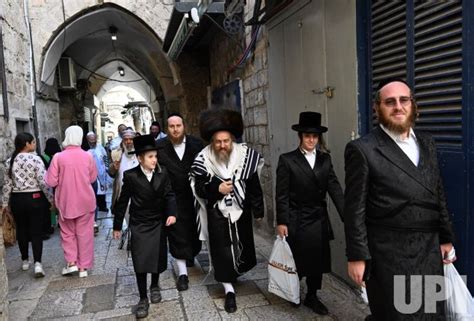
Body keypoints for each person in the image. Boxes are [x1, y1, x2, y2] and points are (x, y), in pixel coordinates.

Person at [344, 78, 455, 320]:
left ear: (414, 105)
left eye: (404, 100)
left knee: (430, 313)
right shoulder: (363, 149)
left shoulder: (427, 143)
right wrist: (356, 255)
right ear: (377, 109)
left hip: (428, 249)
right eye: (389, 102)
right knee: (396, 315)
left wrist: (446, 238)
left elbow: (437, 193)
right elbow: (354, 209)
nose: (398, 106)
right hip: (388, 253)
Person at [190, 109, 264, 313]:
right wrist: (217, 188)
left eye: (226, 141)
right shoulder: (203, 159)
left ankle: (234, 273)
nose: (223, 145)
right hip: (217, 213)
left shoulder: (246, 155)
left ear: (232, 139)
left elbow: (254, 184)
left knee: (244, 250)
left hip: (241, 212)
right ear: (211, 142)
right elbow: (199, 188)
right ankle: (228, 289)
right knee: (221, 251)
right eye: (218, 142)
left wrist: (258, 210)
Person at [275, 111, 344, 315]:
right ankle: (293, 290)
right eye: (307, 135)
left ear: (318, 137)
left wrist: (348, 218)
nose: (311, 139)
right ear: (300, 137)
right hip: (296, 217)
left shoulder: (325, 160)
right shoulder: (287, 160)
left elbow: (335, 189)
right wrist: (282, 221)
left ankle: (312, 296)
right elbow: (281, 195)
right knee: (297, 259)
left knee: (318, 260)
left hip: (318, 218)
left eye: (315, 136)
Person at [112, 134, 177, 319]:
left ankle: (155, 285)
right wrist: (117, 226)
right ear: (140, 158)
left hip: (157, 221)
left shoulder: (162, 173)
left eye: (155, 156)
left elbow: (169, 194)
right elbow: (122, 202)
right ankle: (142, 298)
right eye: (150, 157)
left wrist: (172, 213)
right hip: (139, 224)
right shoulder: (131, 176)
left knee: (156, 257)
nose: (154, 160)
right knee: (140, 262)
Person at [156, 113, 203, 291]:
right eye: (171, 126)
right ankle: (182, 273)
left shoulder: (196, 144)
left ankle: (191, 253)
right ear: (167, 129)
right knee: (176, 234)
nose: (175, 130)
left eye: (178, 126)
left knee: (193, 233)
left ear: (184, 126)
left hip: (194, 198)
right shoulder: (159, 147)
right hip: (172, 198)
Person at [45, 126, 98, 278]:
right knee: (85, 234)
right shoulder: (88, 156)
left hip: (66, 201)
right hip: (86, 200)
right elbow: (93, 178)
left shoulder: (58, 157)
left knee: (67, 233)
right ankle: (84, 268)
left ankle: (72, 263)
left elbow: (51, 181)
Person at [1, 133, 54, 278]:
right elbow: (43, 182)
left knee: (22, 229)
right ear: (27, 144)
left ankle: (25, 260)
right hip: (35, 197)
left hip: (17, 199)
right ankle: (38, 263)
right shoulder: (35, 159)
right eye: (33, 142)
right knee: (36, 230)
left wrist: (4, 203)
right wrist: (51, 199)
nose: (35, 144)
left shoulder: (9, 161)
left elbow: (7, 185)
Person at [109, 129, 138, 211]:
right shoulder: (116, 154)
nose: (128, 142)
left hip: (140, 198)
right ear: (122, 141)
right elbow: (111, 173)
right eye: (126, 139)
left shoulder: (141, 154)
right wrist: (114, 168)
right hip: (123, 197)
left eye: (131, 139)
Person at [86, 132, 109, 235]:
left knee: (102, 190)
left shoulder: (100, 148)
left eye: (94, 139)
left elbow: (105, 158)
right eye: (90, 140)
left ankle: (102, 205)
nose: (92, 141)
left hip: (102, 172)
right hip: (92, 175)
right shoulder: (86, 150)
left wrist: (107, 168)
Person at [39, 137, 62, 237]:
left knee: (51, 204)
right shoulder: (60, 156)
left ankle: (52, 223)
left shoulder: (43, 157)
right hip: (59, 184)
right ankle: (61, 221)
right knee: (60, 203)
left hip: (48, 184)